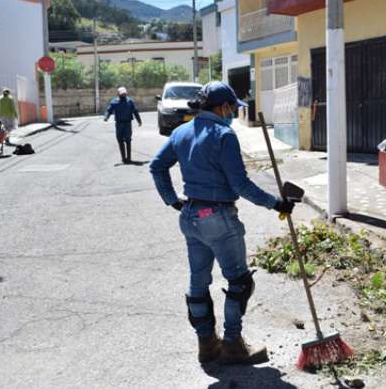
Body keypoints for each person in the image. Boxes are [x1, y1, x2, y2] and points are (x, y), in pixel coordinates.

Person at [149, 81, 295, 365]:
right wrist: (276, 203)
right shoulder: (224, 135)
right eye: (232, 108)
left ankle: (206, 346)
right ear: (223, 106)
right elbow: (240, 184)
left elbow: (156, 166)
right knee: (239, 282)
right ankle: (232, 345)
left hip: (190, 216)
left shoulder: (180, 131)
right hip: (218, 217)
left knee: (198, 282)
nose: (233, 113)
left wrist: (173, 200)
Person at [104, 86, 142, 164]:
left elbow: (135, 111)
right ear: (118, 94)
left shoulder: (129, 101)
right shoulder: (114, 102)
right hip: (119, 124)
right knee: (120, 140)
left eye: (124, 93)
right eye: (122, 94)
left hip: (127, 123)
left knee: (128, 140)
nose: (123, 95)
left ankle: (129, 158)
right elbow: (109, 110)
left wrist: (139, 120)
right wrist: (106, 117)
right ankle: (123, 158)